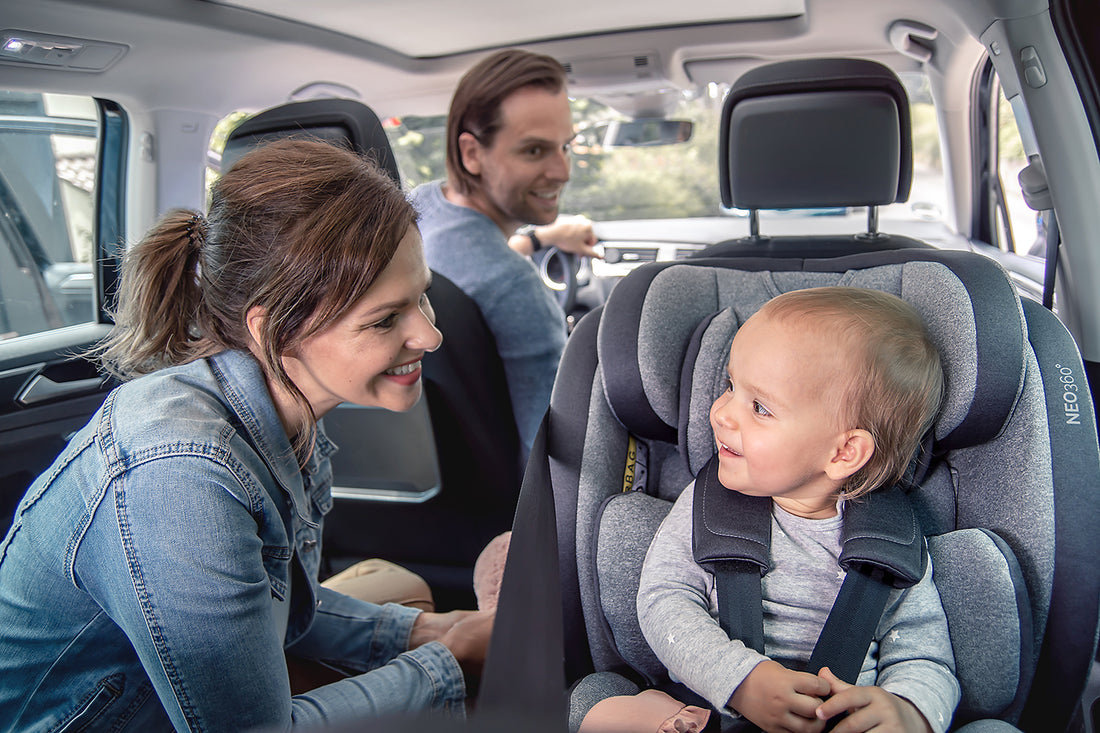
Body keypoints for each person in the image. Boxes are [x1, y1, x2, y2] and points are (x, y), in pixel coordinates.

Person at [0, 139, 494, 732]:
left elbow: (277, 602)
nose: (431, 336)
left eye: (423, 296)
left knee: (408, 596)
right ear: (273, 329)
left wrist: (421, 633)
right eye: (385, 319)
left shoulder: (284, 413)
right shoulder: (180, 476)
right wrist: (450, 663)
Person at [584, 287, 959, 733]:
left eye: (759, 407)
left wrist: (908, 711)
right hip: (718, 711)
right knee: (593, 701)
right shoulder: (709, 510)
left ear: (843, 453)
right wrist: (740, 681)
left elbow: (925, 654)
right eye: (730, 386)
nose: (721, 412)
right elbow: (665, 601)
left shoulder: (891, 545)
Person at [410, 48, 602, 457]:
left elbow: (469, 265)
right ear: (471, 153)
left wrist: (541, 238)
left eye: (565, 146)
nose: (563, 170)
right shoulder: (516, 289)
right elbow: (549, 460)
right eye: (534, 151)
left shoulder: (414, 213)